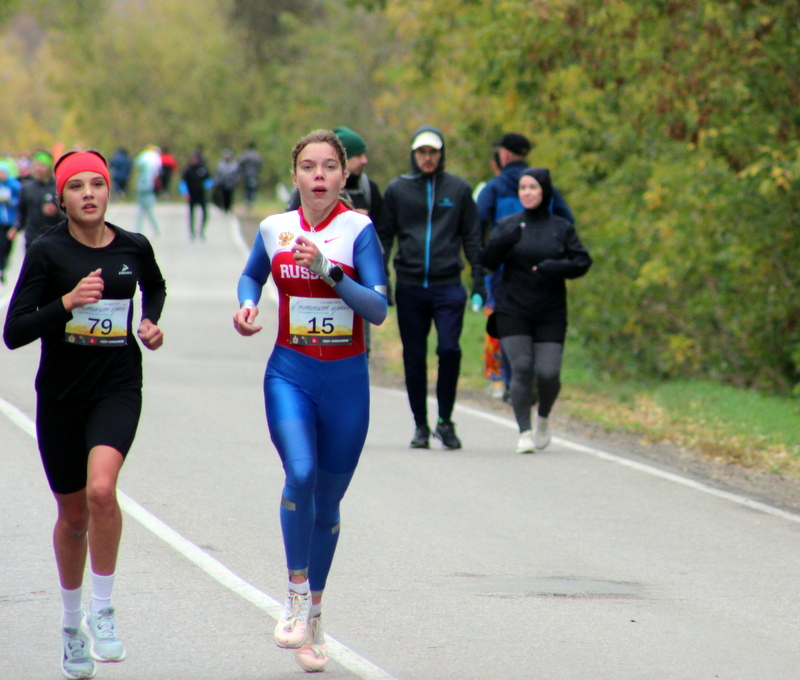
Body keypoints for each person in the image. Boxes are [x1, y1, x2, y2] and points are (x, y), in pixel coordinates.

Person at [3, 150, 166, 679]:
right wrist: (67, 302)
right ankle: (72, 626)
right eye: (78, 187)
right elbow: (14, 331)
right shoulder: (48, 252)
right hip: (62, 395)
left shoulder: (133, 247)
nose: (89, 194)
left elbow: (155, 286)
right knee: (73, 518)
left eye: (98, 184)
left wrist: (150, 321)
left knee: (101, 492)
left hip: (117, 386)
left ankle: (104, 609)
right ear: (62, 197)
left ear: (109, 193)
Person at [233, 129, 387, 673]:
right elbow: (252, 274)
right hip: (291, 373)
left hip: (346, 381)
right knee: (299, 473)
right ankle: (296, 594)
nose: (318, 177)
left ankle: (314, 618)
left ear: (344, 176)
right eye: (307, 167)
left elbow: (377, 308)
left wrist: (329, 270)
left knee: (327, 502)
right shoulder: (274, 228)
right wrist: (247, 305)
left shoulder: (358, 229)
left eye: (328, 167)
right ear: (294, 175)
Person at [381, 125, 486, 450]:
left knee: (449, 350)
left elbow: (472, 236)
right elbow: (385, 235)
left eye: (433, 152)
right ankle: (421, 426)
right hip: (410, 285)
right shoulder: (398, 189)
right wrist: (380, 279)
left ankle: (445, 421)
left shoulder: (458, 189)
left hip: (448, 285)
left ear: (441, 155)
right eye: (422, 152)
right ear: (414, 155)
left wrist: (479, 281)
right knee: (414, 357)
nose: (427, 158)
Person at [481, 168, 591, 453]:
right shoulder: (508, 225)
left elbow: (582, 261)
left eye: (533, 187)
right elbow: (487, 262)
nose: (527, 192)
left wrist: (558, 267)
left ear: (544, 191)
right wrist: (502, 242)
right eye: (523, 188)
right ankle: (525, 433)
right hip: (512, 308)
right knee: (522, 367)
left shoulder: (560, 227)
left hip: (550, 311)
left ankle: (542, 417)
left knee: (549, 373)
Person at [477, 133, 576, 404]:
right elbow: (568, 221)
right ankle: (531, 379)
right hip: (546, 271)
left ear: (505, 155)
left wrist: (485, 259)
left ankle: (513, 383)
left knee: (511, 328)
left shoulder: (494, 187)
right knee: (542, 327)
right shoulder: (545, 186)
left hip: (504, 273)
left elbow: (476, 224)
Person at [286, 126, 388, 354]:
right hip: (309, 293)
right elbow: (287, 237)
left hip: (358, 284)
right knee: (308, 353)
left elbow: (383, 232)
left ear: (343, 176)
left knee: (360, 347)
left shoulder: (368, 188)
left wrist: (380, 274)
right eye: (358, 155)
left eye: (330, 167)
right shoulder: (303, 193)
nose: (365, 160)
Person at [8, 150, 65, 251]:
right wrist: (16, 228)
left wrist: (56, 213)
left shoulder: (58, 188)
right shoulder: (27, 188)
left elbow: (69, 216)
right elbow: (22, 212)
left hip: (53, 240)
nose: (38, 168)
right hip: (32, 239)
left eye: (42, 165)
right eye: (36, 165)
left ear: (49, 167)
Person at [179, 149, 211, 241]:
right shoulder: (188, 169)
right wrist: (185, 192)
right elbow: (183, 182)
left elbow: (209, 180)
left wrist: (207, 187)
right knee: (191, 214)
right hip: (192, 195)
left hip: (202, 195)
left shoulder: (203, 169)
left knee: (205, 214)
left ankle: (201, 231)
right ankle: (192, 233)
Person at [0, 163, 21, 284]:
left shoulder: (14, 185)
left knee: (8, 245)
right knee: (1, 244)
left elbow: (21, 200)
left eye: (3, 172)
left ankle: (5, 264)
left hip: (11, 221)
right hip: (0, 221)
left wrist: (9, 200)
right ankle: (1, 268)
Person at [134, 145, 161, 236]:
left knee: (143, 212)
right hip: (148, 190)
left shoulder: (144, 160)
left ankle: (141, 230)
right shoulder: (154, 160)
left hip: (144, 190)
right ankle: (155, 231)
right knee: (148, 212)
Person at [238, 142, 263, 208]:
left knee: (247, 188)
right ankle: (251, 201)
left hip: (246, 174)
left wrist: (242, 170)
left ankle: (247, 201)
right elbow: (260, 163)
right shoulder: (257, 155)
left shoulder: (245, 155)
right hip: (254, 174)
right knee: (253, 188)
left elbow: (240, 162)